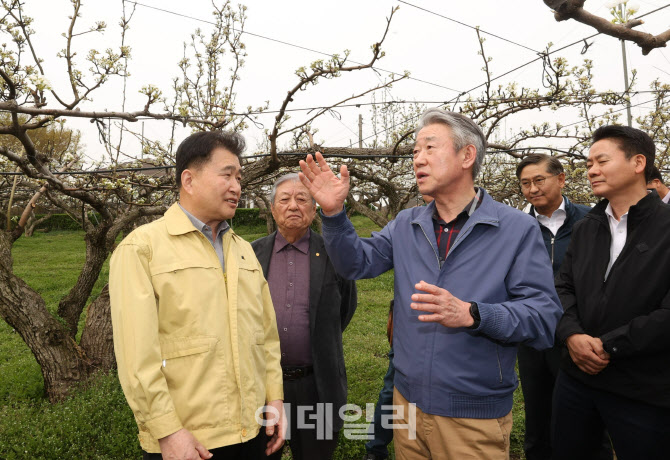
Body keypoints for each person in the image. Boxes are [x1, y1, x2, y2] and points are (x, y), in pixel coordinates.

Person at [298, 108, 563, 459]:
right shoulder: (408, 223)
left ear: (467, 155)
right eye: (414, 152)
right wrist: (333, 214)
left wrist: (473, 314)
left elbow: (543, 317)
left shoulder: (515, 229)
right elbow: (355, 263)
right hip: (407, 405)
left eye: (429, 148)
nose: (417, 160)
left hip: (472, 417)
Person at [110, 131, 285, 460]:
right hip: (190, 442)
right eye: (227, 174)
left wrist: (274, 398)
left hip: (253, 432)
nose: (236, 187)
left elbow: (266, 338)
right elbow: (137, 359)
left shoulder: (244, 251)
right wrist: (167, 431)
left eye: (239, 177)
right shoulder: (142, 248)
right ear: (188, 180)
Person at [552, 125, 670, 460]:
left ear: (637, 163)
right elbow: (563, 286)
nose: (591, 170)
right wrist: (572, 335)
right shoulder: (587, 227)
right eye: (589, 163)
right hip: (576, 377)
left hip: (642, 386)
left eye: (601, 160)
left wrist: (608, 345)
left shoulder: (666, 228)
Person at [251, 173, 357, 460]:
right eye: (284, 199)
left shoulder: (334, 253)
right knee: (260, 452)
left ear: (314, 209)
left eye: (302, 199)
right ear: (272, 208)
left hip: (317, 384)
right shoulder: (251, 254)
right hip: (261, 385)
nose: (293, 206)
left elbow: (346, 308)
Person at [515, 154, 610, 460]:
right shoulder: (517, 226)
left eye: (539, 180)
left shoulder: (591, 220)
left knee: (586, 417)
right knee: (537, 413)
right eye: (525, 183)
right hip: (533, 335)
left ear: (561, 179)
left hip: (579, 333)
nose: (532, 189)